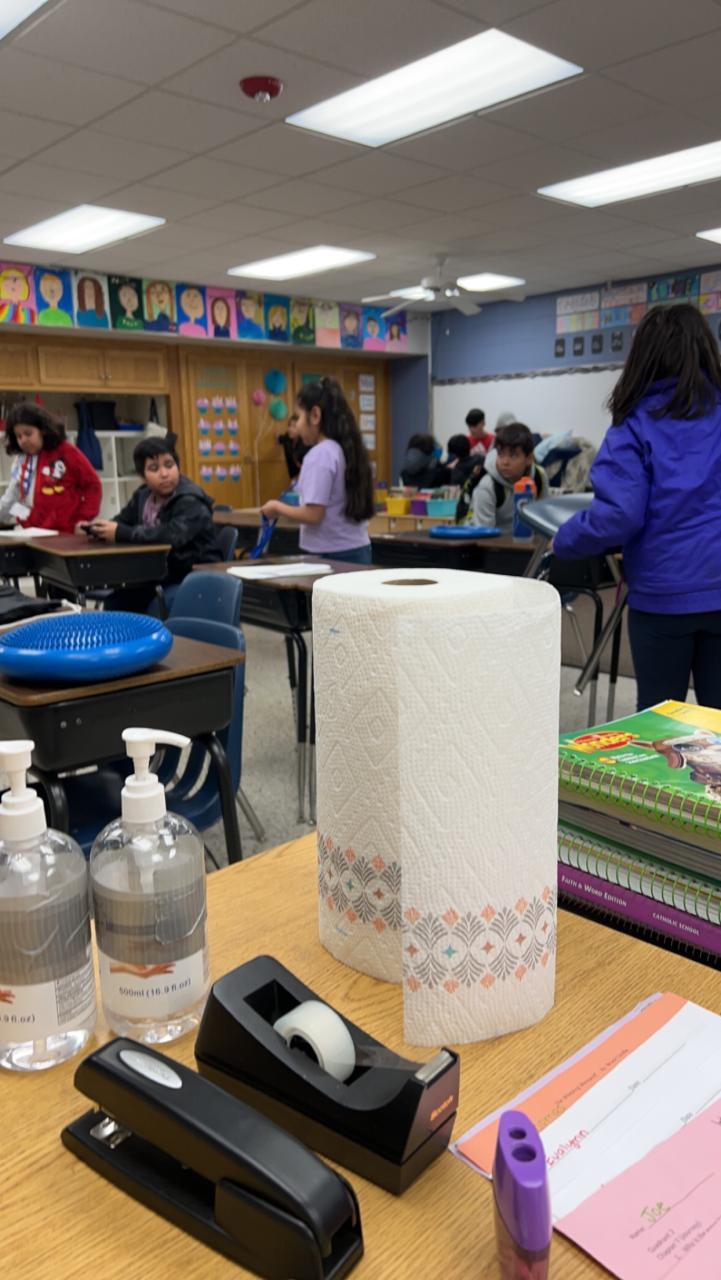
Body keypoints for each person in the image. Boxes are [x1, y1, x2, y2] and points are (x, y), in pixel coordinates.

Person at [554, 303, 721, 711]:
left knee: (660, 723)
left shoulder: (634, 423)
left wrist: (565, 539)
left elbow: (620, 515)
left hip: (663, 595)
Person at [87, 435, 221, 610]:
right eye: (154, 468)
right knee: (116, 602)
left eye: (169, 465)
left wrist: (120, 532)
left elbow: (170, 536)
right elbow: (122, 521)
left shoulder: (190, 499)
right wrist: (98, 529)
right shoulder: (143, 495)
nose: (164, 474)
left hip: (191, 574)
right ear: (142, 476)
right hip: (157, 574)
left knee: (150, 606)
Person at [260, 377, 373, 564]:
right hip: (357, 549)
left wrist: (277, 508)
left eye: (298, 417)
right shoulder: (347, 449)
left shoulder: (321, 454)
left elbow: (313, 515)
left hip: (330, 554)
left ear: (315, 415)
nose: (297, 425)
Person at [0, 402, 101, 533]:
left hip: (64, 532)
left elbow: (93, 485)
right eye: (19, 436)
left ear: (42, 430)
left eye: (28, 433)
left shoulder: (67, 452)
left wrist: (83, 518)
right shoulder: (21, 460)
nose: (23, 440)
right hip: (31, 531)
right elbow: (12, 494)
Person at [471, 422, 548, 531]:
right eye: (501, 454)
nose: (505, 462)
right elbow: (484, 534)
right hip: (493, 540)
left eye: (513, 455)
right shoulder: (488, 486)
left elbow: (544, 520)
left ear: (529, 458)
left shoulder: (539, 477)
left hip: (527, 539)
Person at [278, 410, 311, 481]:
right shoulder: (287, 439)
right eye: (289, 426)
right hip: (295, 478)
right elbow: (281, 438)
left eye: (294, 426)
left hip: (306, 478)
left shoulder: (306, 445)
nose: (290, 429)